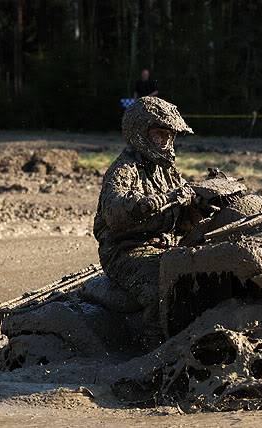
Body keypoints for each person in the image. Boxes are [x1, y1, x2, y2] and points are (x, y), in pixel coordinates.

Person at [93, 96, 195, 349]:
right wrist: (144, 204)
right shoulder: (123, 169)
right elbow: (114, 212)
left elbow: (182, 215)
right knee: (157, 289)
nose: (164, 142)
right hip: (123, 250)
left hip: (162, 244)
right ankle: (154, 350)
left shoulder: (167, 171)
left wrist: (198, 203)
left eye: (168, 136)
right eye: (158, 135)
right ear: (141, 132)